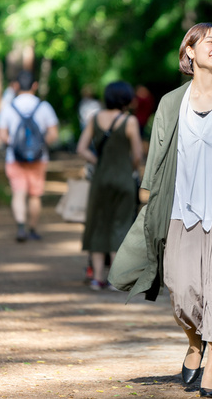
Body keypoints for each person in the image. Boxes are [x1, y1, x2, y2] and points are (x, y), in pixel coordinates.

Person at [107, 23, 212, 398]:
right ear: (189, 52)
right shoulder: (170, 102)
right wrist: (148, 195)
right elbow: (158, 155)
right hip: (182, 208)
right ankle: (195, 342)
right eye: (210, 42)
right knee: (181, 292)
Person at [77, 81, 143, 291]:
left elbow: (81, 148)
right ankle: (116, 278)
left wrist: (98, 162)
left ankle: (97, 278)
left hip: (100, 181)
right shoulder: (130, 121)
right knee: (121, 225)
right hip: (123, 180)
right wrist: (127, 166)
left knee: (98, 226)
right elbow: (138, 155)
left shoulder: (94, 118)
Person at [0, 70, 59, 242]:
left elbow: (2, 135)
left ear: (16, 86)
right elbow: (53, 134)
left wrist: (15, 145)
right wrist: (39, 146)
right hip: (39, 159)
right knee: (35, 195)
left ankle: (21, 226)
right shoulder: (44, 107)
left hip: (14, 158)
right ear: (35, 86)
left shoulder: (9, 107)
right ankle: (33, 229)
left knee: (18, 193)